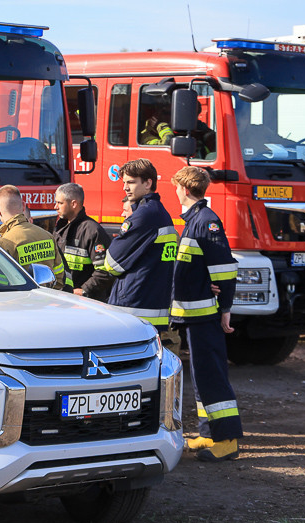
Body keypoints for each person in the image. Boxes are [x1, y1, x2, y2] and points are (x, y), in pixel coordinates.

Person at [170, 166, 242, 462]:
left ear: (185, 189)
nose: (175, 192)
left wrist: (225, 309)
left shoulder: (206, 222)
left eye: (176, 187)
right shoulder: (195, 220)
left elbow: (224, 269)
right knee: (201, 375)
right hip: (194, 316)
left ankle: (226, 441)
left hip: (206, 315)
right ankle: (208, 433)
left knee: (212, 376)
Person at [102, 158, 177, 329]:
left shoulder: (145, 215)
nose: (125, 187)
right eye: (124, 182)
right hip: (150, 306)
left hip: (135, 308)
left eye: (131, 182)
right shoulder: (159, 212)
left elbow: (111, 264)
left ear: (148, 183)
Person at [0, 185, 65, 289]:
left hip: (20, 303)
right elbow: (59, 276)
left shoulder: (4, 243)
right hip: (47, 300)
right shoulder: (48, 236)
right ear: (23, 206)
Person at [53, 182, 113, 301]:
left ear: (74, 204)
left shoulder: (92, 231)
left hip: (87, 301)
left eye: (60, 203)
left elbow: (105, 270)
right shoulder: (60, 228)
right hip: (64, 299)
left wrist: (84, 290)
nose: (55, 207)